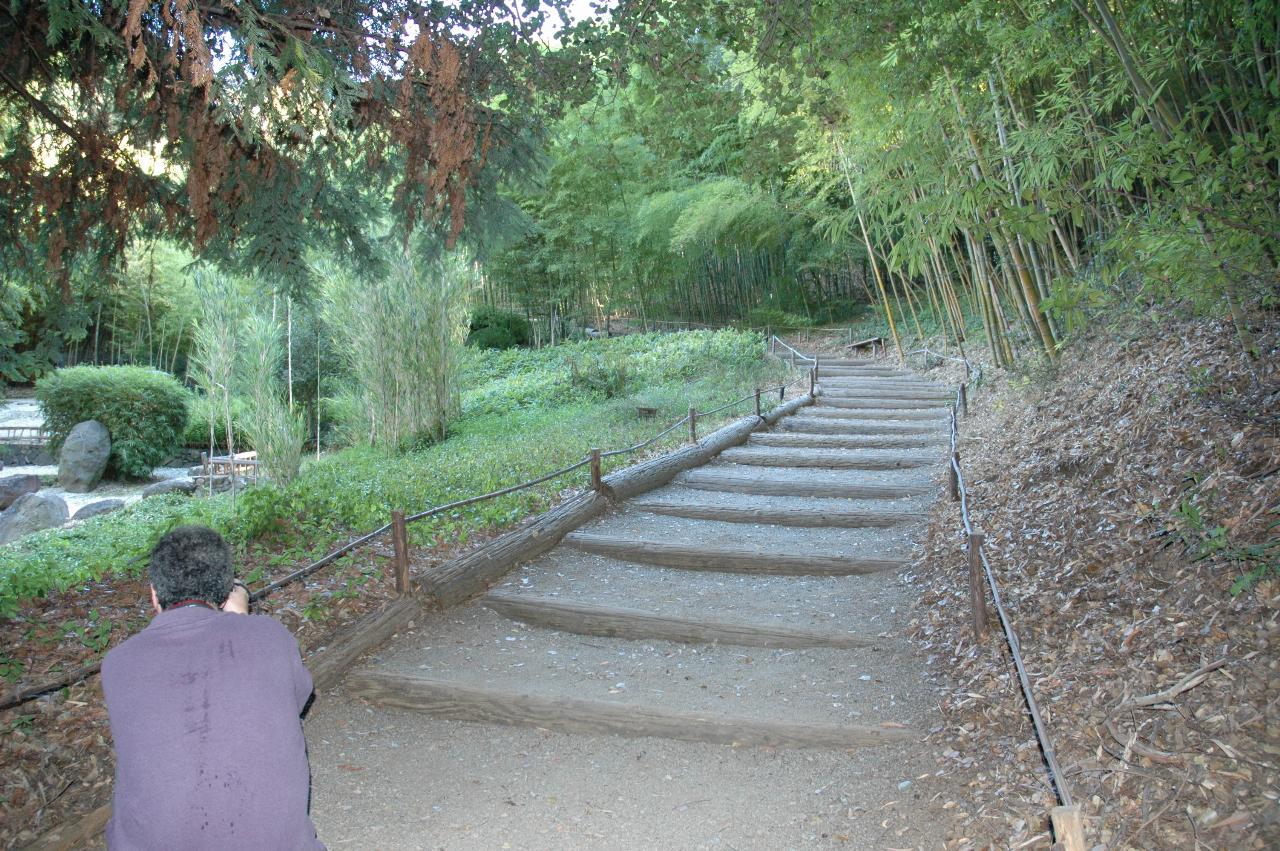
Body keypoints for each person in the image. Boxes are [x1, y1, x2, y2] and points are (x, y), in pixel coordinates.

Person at [101, 525, 324, 850]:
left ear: (154, 594)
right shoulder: (269, 637)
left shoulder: (118, 663)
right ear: (225, 590)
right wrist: (242, 620)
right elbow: (297, 697)